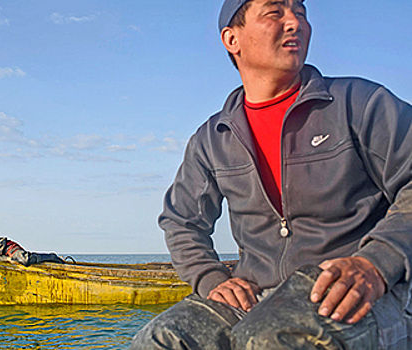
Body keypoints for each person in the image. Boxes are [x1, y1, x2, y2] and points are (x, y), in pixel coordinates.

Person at [131, 0, 412, 349]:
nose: (295, 22)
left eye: (301, 11)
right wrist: (211, 277)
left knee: (274, 337)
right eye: (275, 12)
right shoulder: (212, 138)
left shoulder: (359, 102)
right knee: (158, 339)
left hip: (355, 288)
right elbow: (181, 221)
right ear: (232, 39)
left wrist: (376, 263)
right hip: (255, 293)